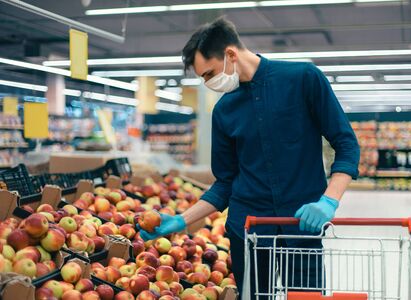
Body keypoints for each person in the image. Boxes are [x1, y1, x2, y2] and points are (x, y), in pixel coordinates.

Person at [139, 17, 360, 299]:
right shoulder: (224, 111)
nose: (208, 84)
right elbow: (226, 183)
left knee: (306, 296)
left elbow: (346, 144)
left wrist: (329, 200)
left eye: (209, 74)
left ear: (230, 54)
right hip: (249, 232)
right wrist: (181, 221)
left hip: (303, 226)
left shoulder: (303, 78)